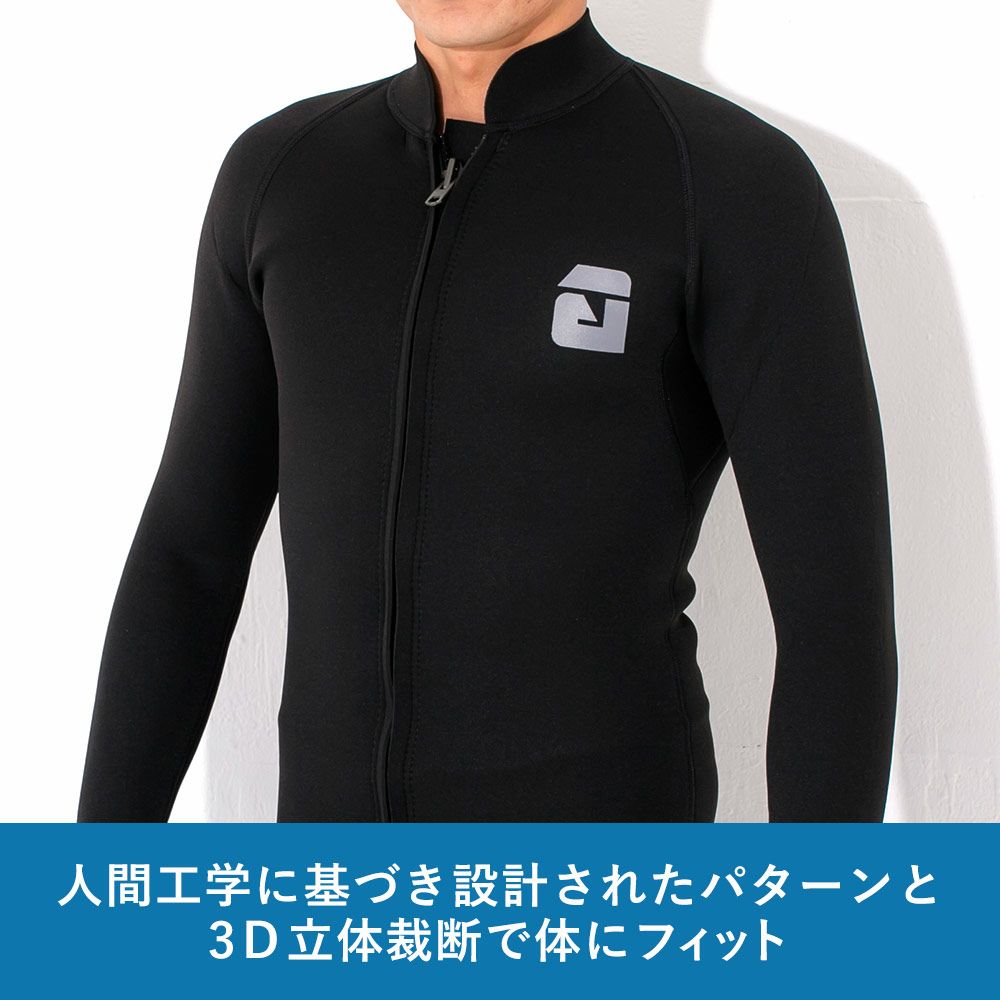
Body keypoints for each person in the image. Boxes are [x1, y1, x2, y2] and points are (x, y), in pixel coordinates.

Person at [77, 0, 898, 823]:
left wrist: (820, 899)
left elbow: (834, 617)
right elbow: (189, 555)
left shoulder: (728, 183)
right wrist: (94, 870)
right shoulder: (282, 176)